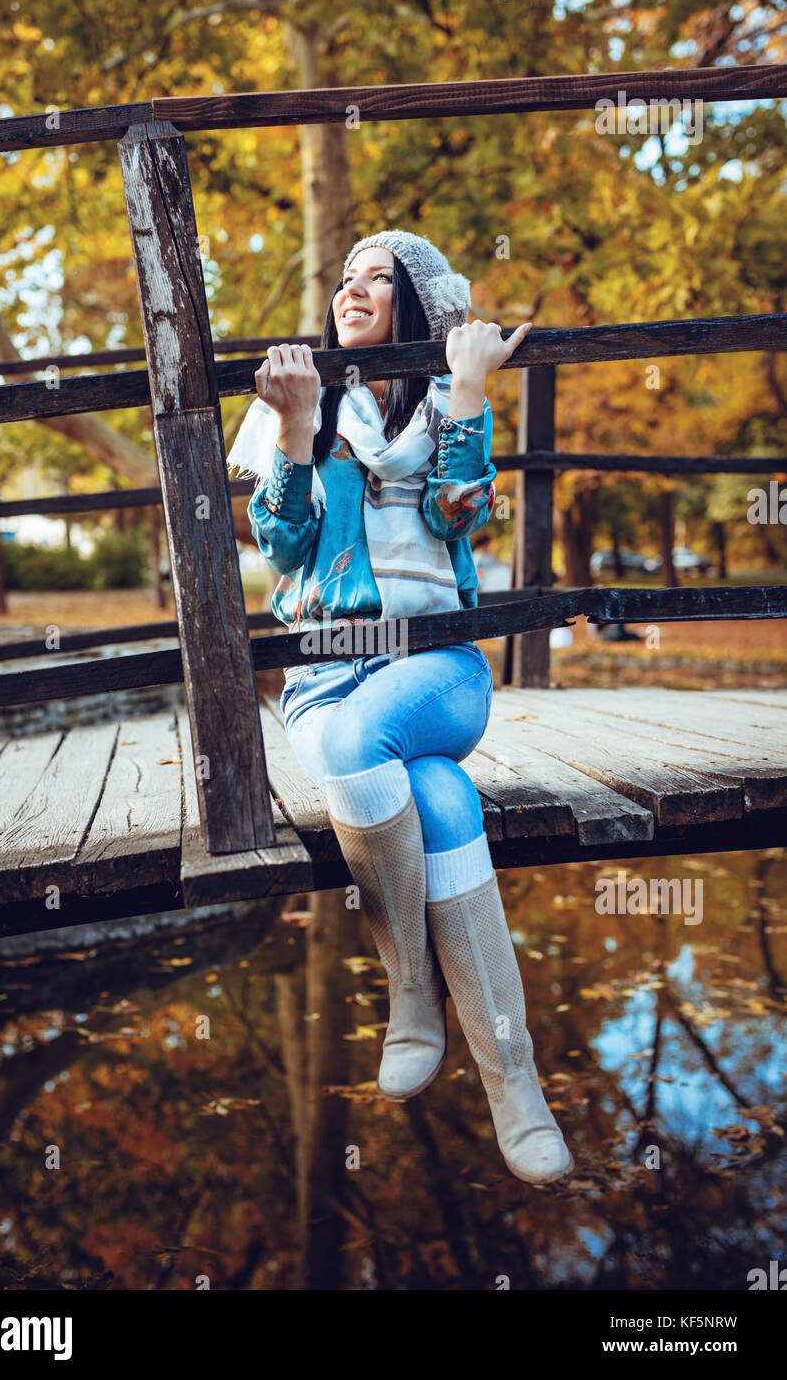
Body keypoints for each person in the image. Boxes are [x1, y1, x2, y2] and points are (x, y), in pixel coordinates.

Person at [228, 230, 573, 1186]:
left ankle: (412, 993)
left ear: (416, 303)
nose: (353, 290)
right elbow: (286, 554)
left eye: (378, 279)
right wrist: (296, 431)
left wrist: (469, 391)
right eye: (344, 278)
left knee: (354, 741)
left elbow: (464, 514)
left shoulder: (441, 398)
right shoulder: (306, 399)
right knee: (445, 802)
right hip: (323, 671)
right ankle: (517, 1089)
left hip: (438, 668)